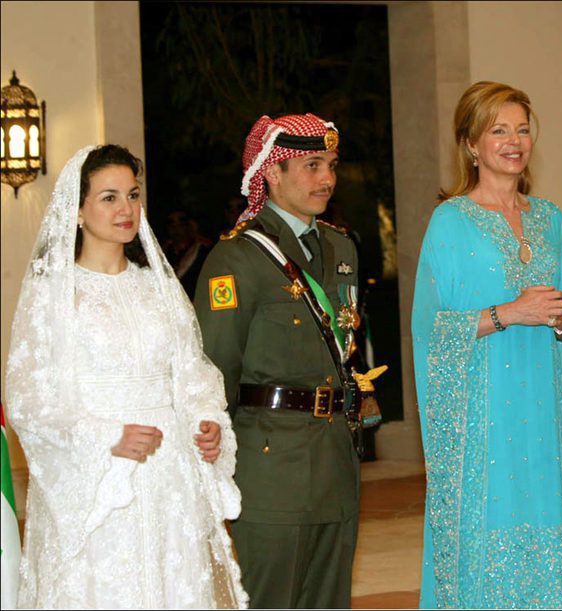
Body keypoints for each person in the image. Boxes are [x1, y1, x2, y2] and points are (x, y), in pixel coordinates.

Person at [5, 145, 246, 608]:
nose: (126, 209)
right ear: (77, 211)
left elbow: (192, 370)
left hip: (169, 474)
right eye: (109, 197)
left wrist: (206, 419)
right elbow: (28, 396)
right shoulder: (53, 294)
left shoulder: (158, 287)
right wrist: (106, 437)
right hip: (101, 478)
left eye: (132, 195)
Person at [194, 113, 374, 609]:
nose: (328, 179)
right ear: (272, 173)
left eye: (332, 165)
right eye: (312, 165)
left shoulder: (340, 247)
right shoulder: (237, 258)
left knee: (330, 599)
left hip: (336, 460)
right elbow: (213, 370)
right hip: (269, 466)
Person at [412, 81, 562, 608]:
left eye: (523, 129)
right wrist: (508, 313)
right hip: (480, 421)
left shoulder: (550, 218)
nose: (514, 141)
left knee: (543, 535)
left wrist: (559, 322)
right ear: (470, 144)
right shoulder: (450, 221)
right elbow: (430, 330)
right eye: (498, 130)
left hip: (540, 414)